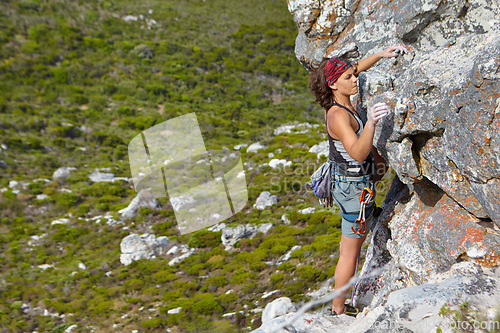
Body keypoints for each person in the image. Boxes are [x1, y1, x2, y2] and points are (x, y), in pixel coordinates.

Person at [308, 45, 407, 316]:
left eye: (355, 75)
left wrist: (381, 55)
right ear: (333, 84)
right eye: (350, 78)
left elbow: (358, 67)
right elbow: (358, 151)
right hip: (353, 191)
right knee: (349, 252)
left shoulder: (342, 98)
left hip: (351, 184)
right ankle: (338, 309)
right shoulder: (338, 115)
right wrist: (372, 124)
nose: (356, 80)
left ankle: (338, 305)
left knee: (348, 246)